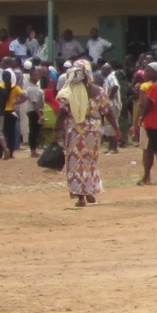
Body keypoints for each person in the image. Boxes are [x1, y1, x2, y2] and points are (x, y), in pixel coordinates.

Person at [57, 60, 104, 205]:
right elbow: (106, 111)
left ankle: (80, 196)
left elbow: (63, 111)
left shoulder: (71, 90)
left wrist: (56, 130)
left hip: (77, 129)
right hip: (94, 130)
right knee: (90, 161)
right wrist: (116, 130)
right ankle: (90, 192)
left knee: (76, 162)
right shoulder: (99, 91)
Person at [135, 63, 157, 183]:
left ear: (156, 73)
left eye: (148, 71)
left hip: (153, 121)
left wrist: (140, 118)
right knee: (150, 148)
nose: (145, 74)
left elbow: (147, 105)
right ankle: (146, 177)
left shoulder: (155, 87)